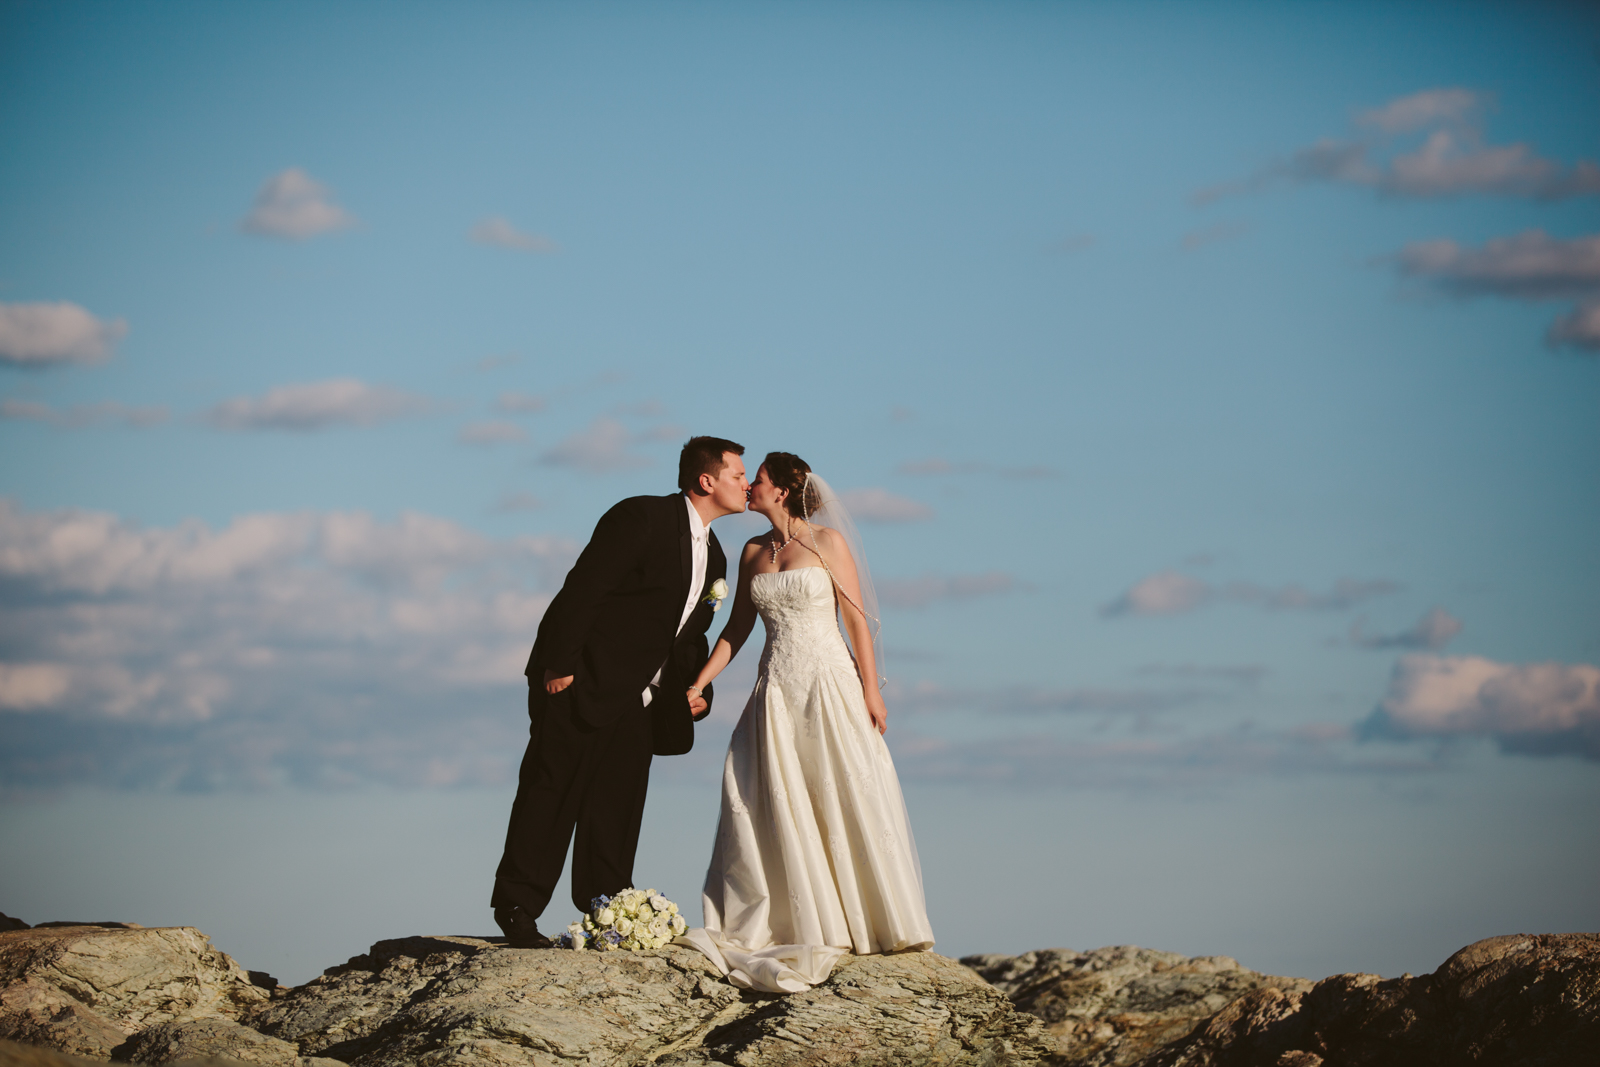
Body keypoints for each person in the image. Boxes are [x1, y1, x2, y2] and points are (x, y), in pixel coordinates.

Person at [678, 452, 934, 992]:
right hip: (775, 689)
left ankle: (868, 917)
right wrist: (700, 682)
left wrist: (870, 688)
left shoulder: (827, 543)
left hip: (827, 683)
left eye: (760, 481)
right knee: (767, 795)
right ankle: (794, 918)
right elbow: (736, 631)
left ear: (785, 491)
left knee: (839, 790)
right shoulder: (752, 551)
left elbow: (857, 621)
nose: (750, 487)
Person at [491, 436, 748, 947]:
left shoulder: (716, 555)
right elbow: (584, 588)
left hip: (641, 699)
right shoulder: (642, 518)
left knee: (617, 805)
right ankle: (517, 907)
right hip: (579, 680)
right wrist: (560, 666)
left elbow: (687, 636)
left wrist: (697, 692)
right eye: (738, 475)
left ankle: (606, 909)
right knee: (550, 792)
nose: (746, 483)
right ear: (707, 480)